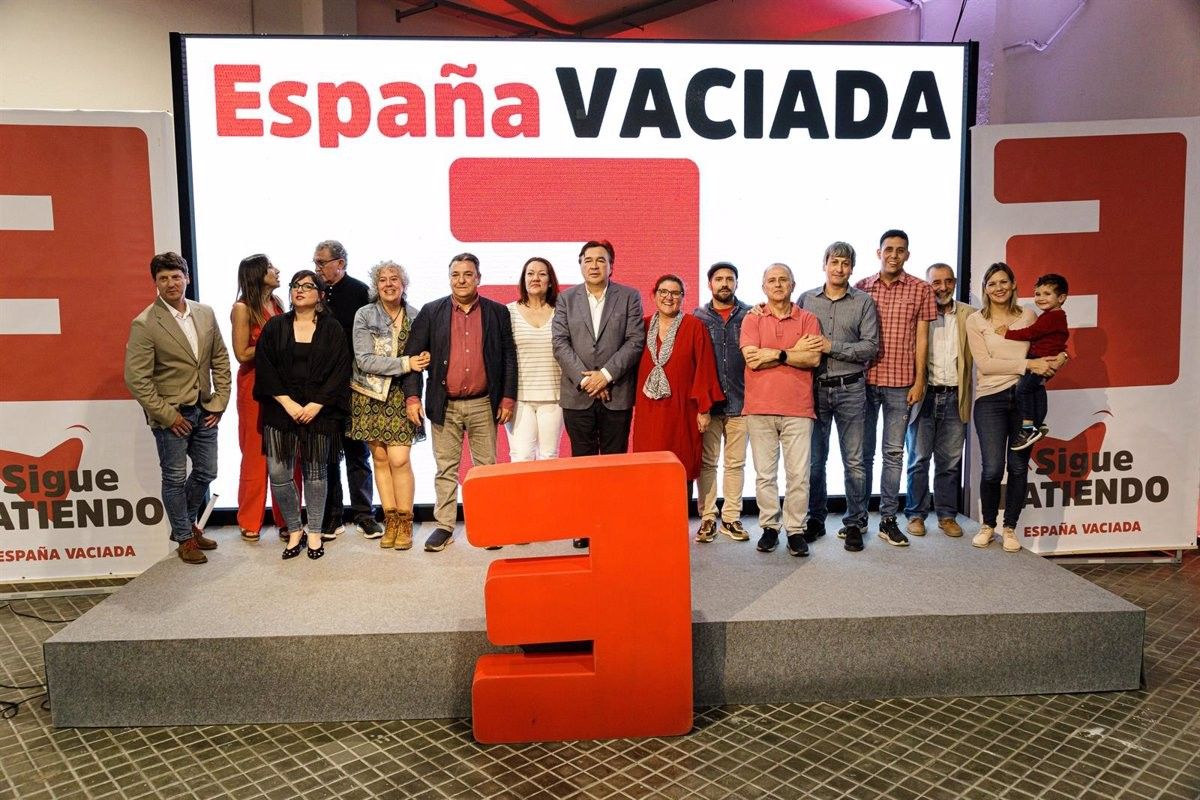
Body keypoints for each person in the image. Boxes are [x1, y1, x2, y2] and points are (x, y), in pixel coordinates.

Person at [402, 253, 517, 553]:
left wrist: (507, 397)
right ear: (449, 277)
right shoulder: (431, 312)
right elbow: (414, 357)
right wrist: (412, 397)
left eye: (468, 274)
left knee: (486, 469)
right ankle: (444, 527)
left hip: (483, 403)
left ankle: (489, 524)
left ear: (479, 277)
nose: (462, 280)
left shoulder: (496, 312)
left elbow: (508, 356)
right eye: (456, 274)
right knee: (445, 469)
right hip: (445, 403)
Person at [125, 252, 231, 565]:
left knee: (207, 471)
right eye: (163, 278)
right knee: (173, 478)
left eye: (175, 276)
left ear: (187, 278)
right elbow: (136, 379)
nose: (171, 283)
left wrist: (220, 401)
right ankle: (185, 537)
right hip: (171, 416)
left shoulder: (205, 313)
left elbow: (220, 360)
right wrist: (167, 416)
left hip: (204, 409)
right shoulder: (145, 323)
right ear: (155, 283)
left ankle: (183, 527)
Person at [965, 262, 1067, 553]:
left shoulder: (1029, 315)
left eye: (1003, 282)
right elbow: (985, 364)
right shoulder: (976, 321)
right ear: (985, 289)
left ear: (1012, 285)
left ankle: (1010, 528)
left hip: (1026, 398)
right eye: (991, 283)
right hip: (990, 400)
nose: (998, 288)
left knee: (1019, 467)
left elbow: (1049, 348)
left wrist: (1060, 358)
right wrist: (1027, 365)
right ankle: (987, 525)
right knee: (993, 468)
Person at [552, 239, 645, 549]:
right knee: (583, 462)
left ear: (611, 265)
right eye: (588, 260)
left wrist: (604, 376)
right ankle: (584, 524)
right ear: (580, 265)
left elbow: (634, 342)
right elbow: (560, 344)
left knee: (615, 462)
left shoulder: (629, 297)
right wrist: (587, 381)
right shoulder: (566, 299)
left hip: (616, 392)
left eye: (601, 260)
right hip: (577, 395)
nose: (594, 265)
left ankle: (613, 523)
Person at [254, 270, 352, 561]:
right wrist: (288, 403)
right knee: (279, 473)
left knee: (317, 473)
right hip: (280, 410)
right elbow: (265, 367)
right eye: (296, 285)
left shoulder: (332, 328)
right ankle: (294, 529)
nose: (300, 290)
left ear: (320, 295)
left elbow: (340, 370)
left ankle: (315, 532)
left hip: (319, 412)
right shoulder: (275, 326)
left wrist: (316, 404)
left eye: (308, 286)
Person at [797, 242, 880, 553]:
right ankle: (815, 519)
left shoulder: (863, 302)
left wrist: (832, 347)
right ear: (824, 264)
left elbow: (871, 347)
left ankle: (856, 522)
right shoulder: (806, 299)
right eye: (834, 262)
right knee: (815, 462)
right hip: (814, 389)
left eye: (845, 263)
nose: (839, 268)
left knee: (855, 461)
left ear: (852, 268)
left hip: (852, 389)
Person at [855, 229, 937, 548]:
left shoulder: (921, 289)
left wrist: (920, 381)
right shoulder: (861, 287)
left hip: (901, 384)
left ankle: (888, 519)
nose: (893, 254)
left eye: (900, 250)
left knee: (893, 453)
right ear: (878, 253)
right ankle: (859, 517)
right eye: (888, 249)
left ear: (907, 254)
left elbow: (922, 339)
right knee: (862, 454)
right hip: (864, 382)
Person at [740, 264, 822, 557]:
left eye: (783, 280)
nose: (777, 284)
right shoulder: (752, 319)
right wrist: (792, 352)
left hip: (798, 409)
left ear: (793, 284)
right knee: (765, 474)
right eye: (771, 280)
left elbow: (812, 358)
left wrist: (776, 353)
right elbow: (752, 360)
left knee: (798, 475)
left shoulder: (809, 319)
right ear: (763, 287)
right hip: (759, 408)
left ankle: (796, 531)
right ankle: (769, 528)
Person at [349, 261, 431, 551]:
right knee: (380, 460)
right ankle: (391, 520)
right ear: (376, 285)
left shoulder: (416, 315)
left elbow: (423, 360)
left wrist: (413, 368)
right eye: (382, 280)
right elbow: (364, 359)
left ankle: (406, 521)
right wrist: (404, 363)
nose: (388, 284)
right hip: (369, 395)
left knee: (399, 460)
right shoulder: (364, 314)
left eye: (394, 279)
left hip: (402, 395)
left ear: (403, 284)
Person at [312, 240, 380, 540]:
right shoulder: (312, 292)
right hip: (323, 387)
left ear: (340, 263)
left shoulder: (361, 293)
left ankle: (364, 515)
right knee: (327, 454)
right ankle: (333, 516)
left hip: (355, 385)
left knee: (357, 452)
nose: (318, 268)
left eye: (322, 262)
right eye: (315, 262)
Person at [631, 275, 724, 493]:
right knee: (648, 467)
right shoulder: (641, 326)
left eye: (675, 293)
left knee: (680, 467)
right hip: (649, 411)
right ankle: (651, 522)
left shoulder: (694, 326)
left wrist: (704, 409)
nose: (669, 298)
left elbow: (705, 368)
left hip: (682, 411)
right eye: (663, 292)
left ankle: (678, 523)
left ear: (682, 298)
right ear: (654, 295)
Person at [904, 263, 975, 538]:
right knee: (918, 459)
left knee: (950, 461)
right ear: (926, 285)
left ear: (955, 282)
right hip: (923, 394)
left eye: (947, 281)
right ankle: (916, 515)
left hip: (955, 396)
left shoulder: (969, 315)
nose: (942, 287)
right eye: (936, 282)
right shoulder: (918, 315)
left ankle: (946, 516)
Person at [693, 262, 752, 543]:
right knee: (707, 464)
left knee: (736, 463)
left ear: (737, 284)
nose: (725, 283)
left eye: (730, 279)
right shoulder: (697, 317)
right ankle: (707, 518)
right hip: (709, 405)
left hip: (743, 402)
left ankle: (731, 517)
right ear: (710, 284)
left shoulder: (752, 315)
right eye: (719, 279)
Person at [230, 254, 287, 542]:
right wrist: (274, 344)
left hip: (281, 385)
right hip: (253, 386)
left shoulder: (277, 304)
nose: (277, 271)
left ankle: (286, 518)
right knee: (255, 454)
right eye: (270, 268)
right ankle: (250, 520)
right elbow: (241, 353)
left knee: (284, 453)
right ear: (257, 274)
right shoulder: (242, 308)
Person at [1001, 273, 1070, 450]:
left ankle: (1028, 428)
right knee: (1037, 389)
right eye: (1038, 294)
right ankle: (1039, 424)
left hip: (1040, 360)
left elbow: (1031, 333)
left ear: (1061, 297)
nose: (1040, 298)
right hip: (1045, 360)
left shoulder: (1052, 317)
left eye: (1047, 294)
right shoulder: (1055, 316)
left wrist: (1007, 333)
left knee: (1022, 390)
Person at [507, 257, 563, 462]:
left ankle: (549, 496)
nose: (535, 278)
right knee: (521, 457)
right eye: (530, 273)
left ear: (550, 280)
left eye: (542, 274)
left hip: (554, 396)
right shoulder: (509, 312)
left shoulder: (562, 312)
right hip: (519, 398)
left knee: (549, 456)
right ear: (523, 279)